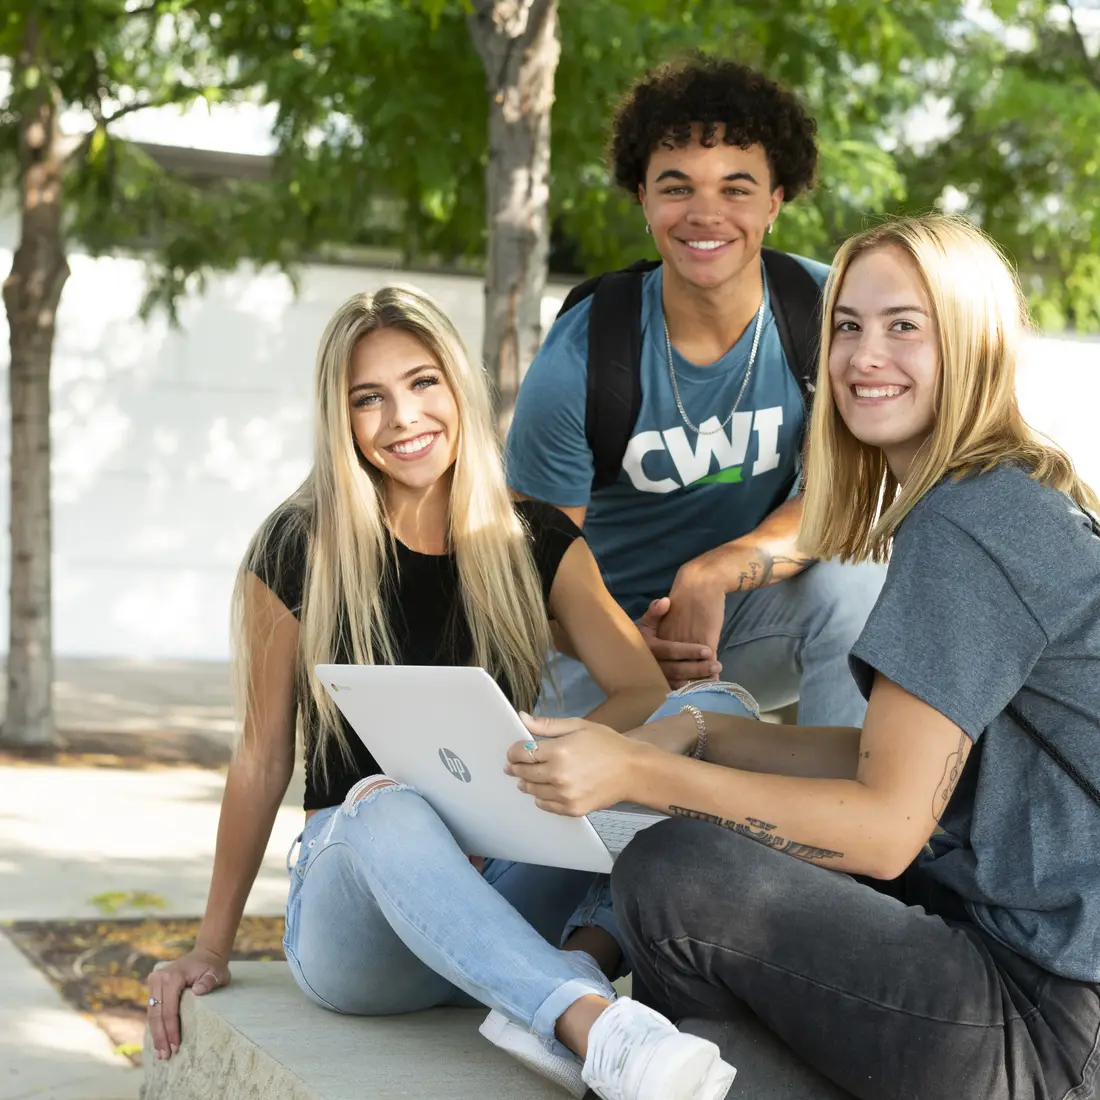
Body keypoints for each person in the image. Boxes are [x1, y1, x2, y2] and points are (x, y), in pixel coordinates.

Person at [505, 215, 1100, 1100]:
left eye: (906, 326)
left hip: (1051, 1016)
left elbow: (887, 830)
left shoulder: (971, 525)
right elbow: (892, 760)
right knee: (685, 1042)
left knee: (677, 870)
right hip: (1020, 964)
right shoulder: (1001, 496)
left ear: (972, 344)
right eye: (848, 325)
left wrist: (634, 767)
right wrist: (700, 734)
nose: (866, 355)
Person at [144, 285, 737, 1100]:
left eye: (422, 383)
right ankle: (595, 1027)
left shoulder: (533, 540)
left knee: (716, 716)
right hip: (361, 921)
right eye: (369, 399)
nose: (403, 418)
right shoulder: (297, 546)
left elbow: (638, 688)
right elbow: (260, 756)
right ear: (340, 418)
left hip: (507, 875)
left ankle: (574, 965)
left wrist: (540, 770)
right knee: (390, 803)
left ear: (457, 386)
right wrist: (209, 947)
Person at [505, 55, 885, 724]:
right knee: (598, 822)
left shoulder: (828, 313)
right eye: (676, 187)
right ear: (644, 201)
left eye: (736, 189)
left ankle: (843, 818)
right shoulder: (580, 361)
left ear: (775, 202)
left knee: (859, 581)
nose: (706, 214)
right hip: (598, 651)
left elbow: (841, 500)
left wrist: (712, 573)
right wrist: (626, 650)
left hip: (737, 624)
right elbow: (530, 580)